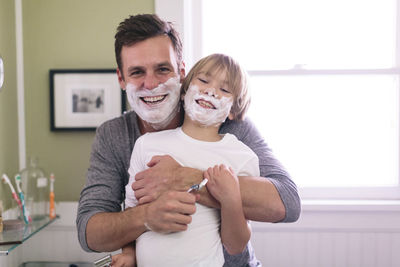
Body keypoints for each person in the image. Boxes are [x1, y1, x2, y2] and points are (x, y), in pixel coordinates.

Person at [76, 14, 301, 267]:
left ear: (182, 71)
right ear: (121, 79)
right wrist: (146, 217)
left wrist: (186, 178)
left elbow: (288, 203)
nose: (150, 84)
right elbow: (89, 230)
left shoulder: (231, 126)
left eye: (162, 69)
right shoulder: (115, 135)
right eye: (137, 72)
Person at [112, 53, 260, 267]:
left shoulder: (241, 158)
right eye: (203, 80)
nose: (210, 91)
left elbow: (235, 246)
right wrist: (128, 254)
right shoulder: (147, 145)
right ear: (184, 92)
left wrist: (231, 199)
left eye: (225, 89)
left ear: (233, 111)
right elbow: (131, 210)